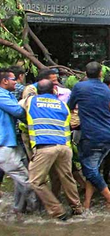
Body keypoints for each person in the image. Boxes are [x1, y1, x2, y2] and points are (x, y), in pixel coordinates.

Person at [26, 79, 83, 219]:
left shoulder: (31, 101)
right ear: (54, 91)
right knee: (67, 178)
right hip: (64, 147)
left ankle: (58, 211)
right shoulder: (63, 105)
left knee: (35, 181)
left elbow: (17, 110)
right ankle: (77, 208)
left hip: (45, 147)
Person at [68, 62, 110, 206]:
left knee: (89, 170)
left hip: (91, 136)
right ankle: (87, 203)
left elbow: (69, 107)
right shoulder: (105, 89)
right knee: (93, 168)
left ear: (85, 73)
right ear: (101, 74)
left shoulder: (79, 87)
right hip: (109, 134)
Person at [0, 68, 39, 214]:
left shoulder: (8, 94)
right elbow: (18, 111)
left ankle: (19, 211)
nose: (16, 82)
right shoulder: (1, 95)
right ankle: (39, 212)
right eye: (13, 79)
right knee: (27, 180)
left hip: (11, 142)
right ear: (4, 81)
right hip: (3, 144)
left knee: (21, 180)